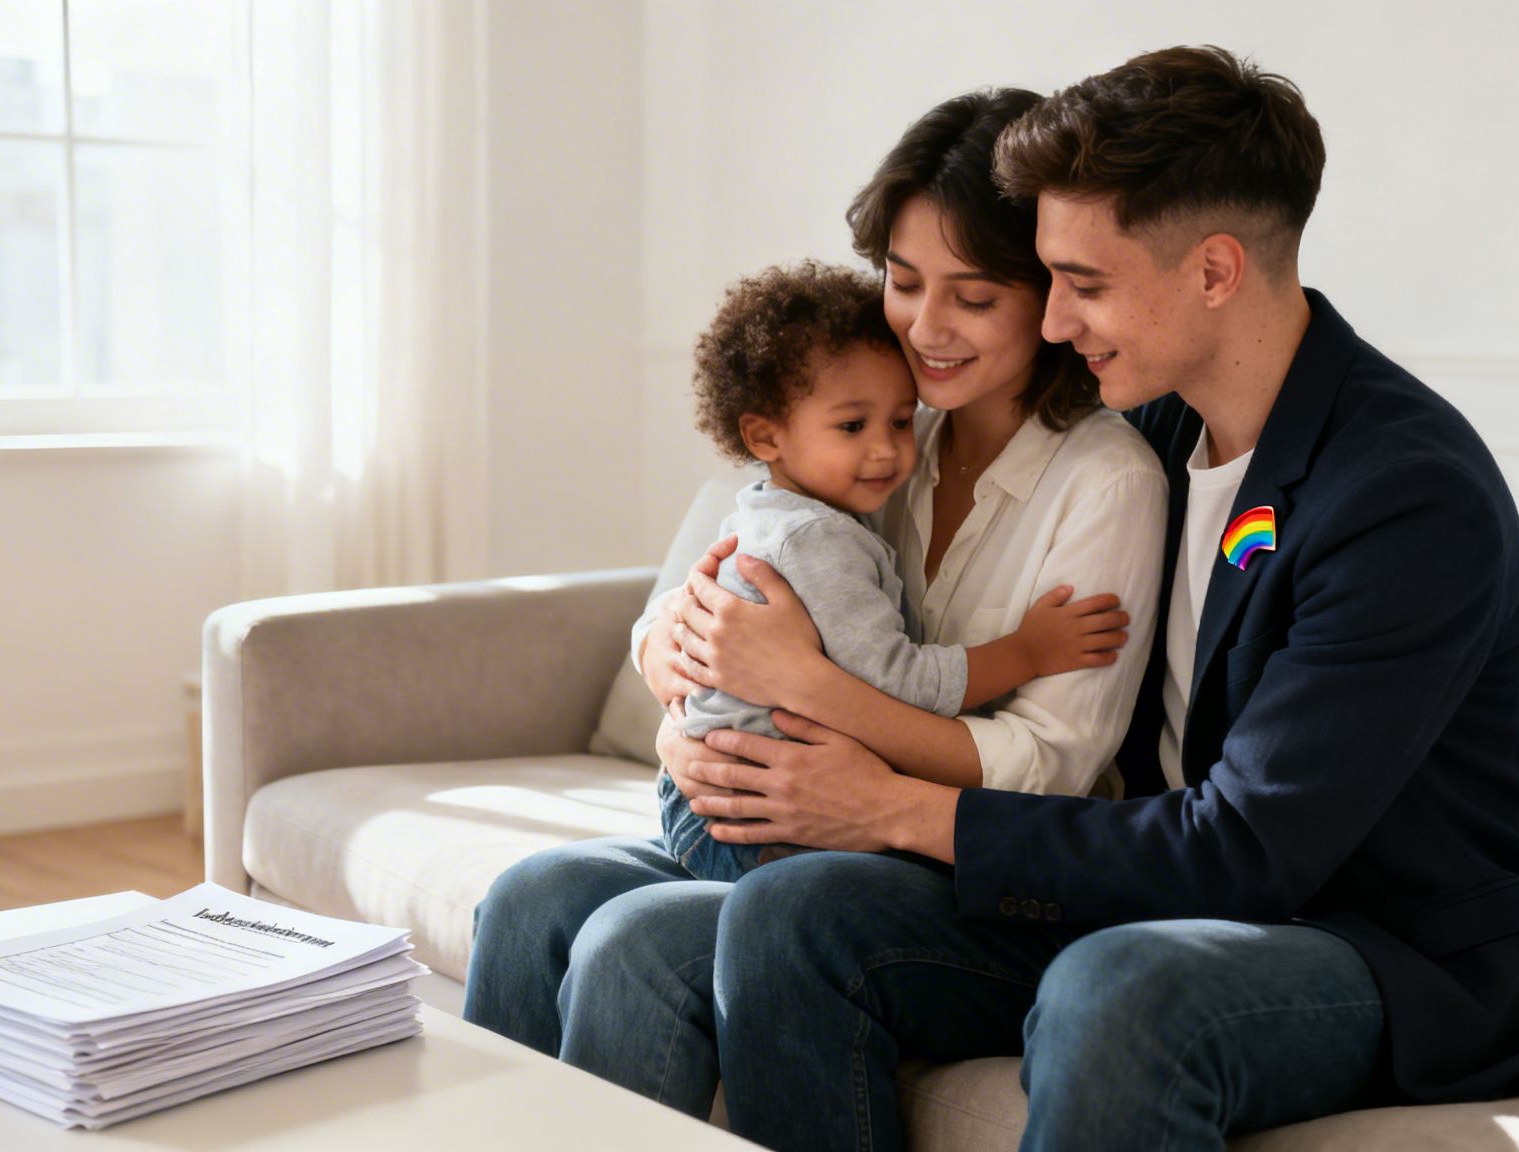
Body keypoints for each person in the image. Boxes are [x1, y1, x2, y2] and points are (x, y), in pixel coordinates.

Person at [648, 46, 1519, 1151]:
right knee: (791, 918)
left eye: (1085, 285)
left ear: (1214, 272)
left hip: (1376, 943)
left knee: (1118, 994)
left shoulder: (1400, 491)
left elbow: (1250, 850)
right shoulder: (1155, 428)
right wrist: (689, 660)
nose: (1052, 323)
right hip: (1147, 893)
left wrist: (894, 809)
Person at [461, 86, 1169, 1115]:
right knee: (532, 899)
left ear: (1050, 297)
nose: (925, 327)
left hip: (977, 871)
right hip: (792, 824)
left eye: (973, 298)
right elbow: (676, 608)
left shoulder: (1105, 480)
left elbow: (1047, 767)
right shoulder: (872, 419)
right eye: (903, 282)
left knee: (638, 943)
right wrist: (681, 705)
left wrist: (805, 689)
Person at [662, 258, 1127, 883]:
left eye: (901, 421)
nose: (885, 449)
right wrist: (1028, 652)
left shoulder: (775, 508)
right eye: (852, 426)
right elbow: (898, 681)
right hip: (750, 817)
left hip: (725, 800)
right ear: (765, 437)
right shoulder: (817, 540)